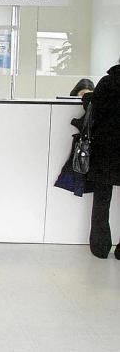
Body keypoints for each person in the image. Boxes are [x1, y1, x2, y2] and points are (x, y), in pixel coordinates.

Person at [85, 58, 120, 259]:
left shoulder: (107, 82)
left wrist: (86, 97)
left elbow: (95, 108)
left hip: (105, 148)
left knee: (101, 200)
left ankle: (100, 247)